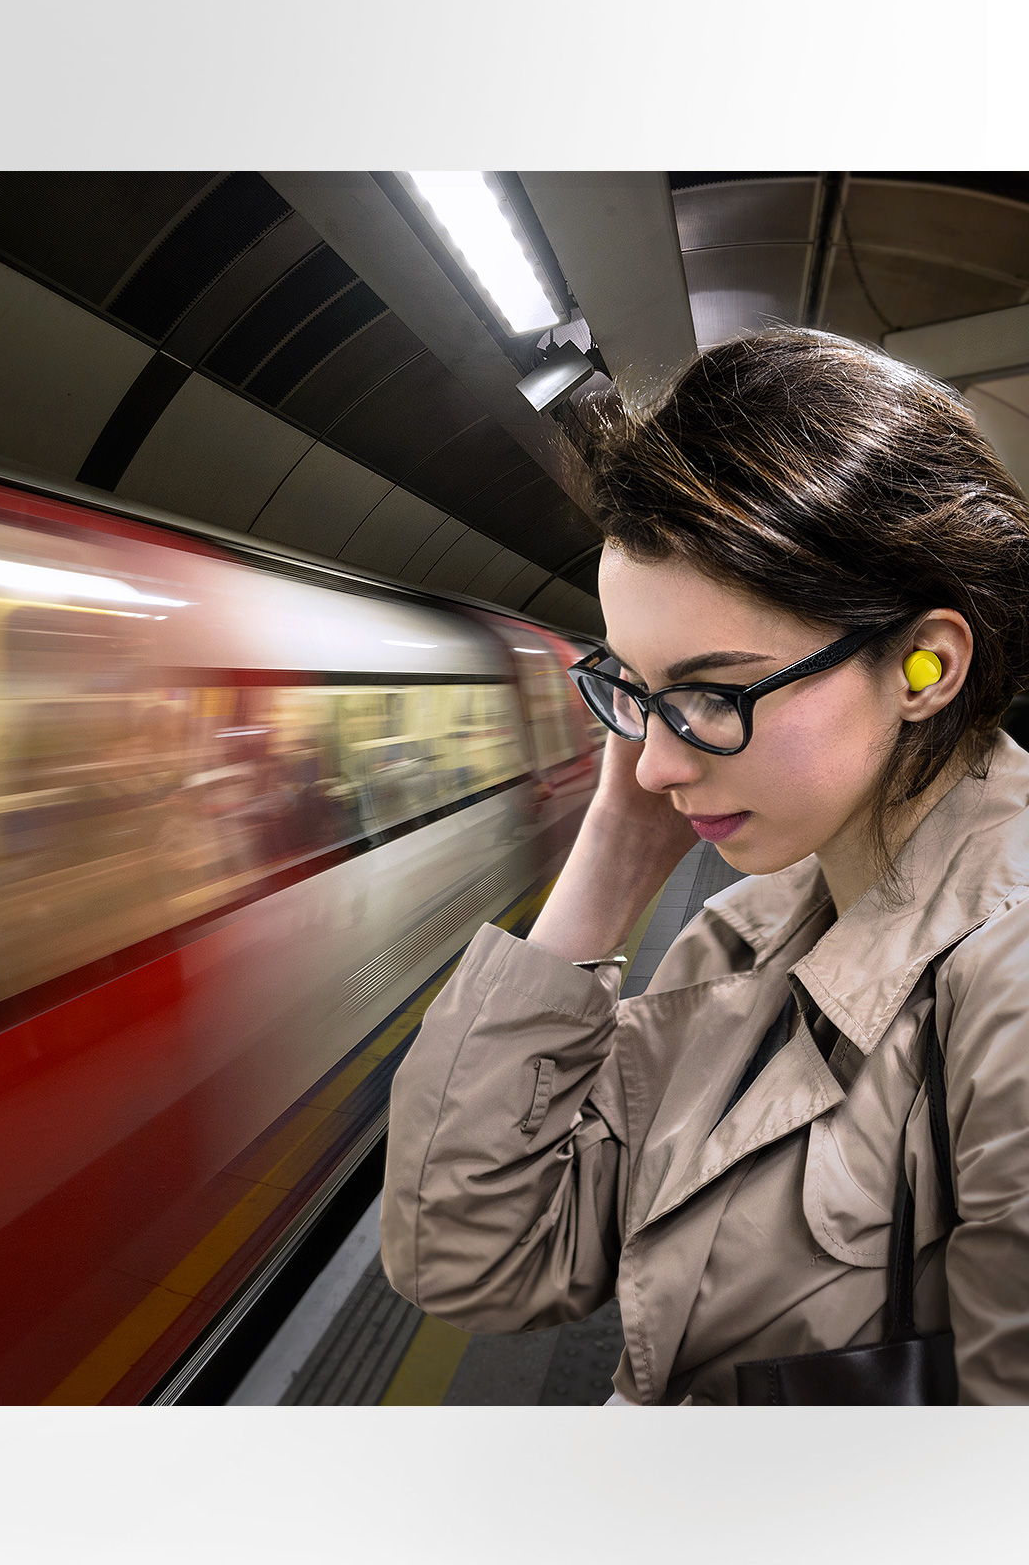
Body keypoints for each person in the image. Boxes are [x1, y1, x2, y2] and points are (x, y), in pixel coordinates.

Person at [381, 328, 1029, 1404]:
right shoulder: (745, 935)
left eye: (713, 693)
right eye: (632, 690)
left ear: (927, 664)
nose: (656, 760)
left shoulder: (1006, 982)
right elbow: (473, 1256)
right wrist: (602, 871)